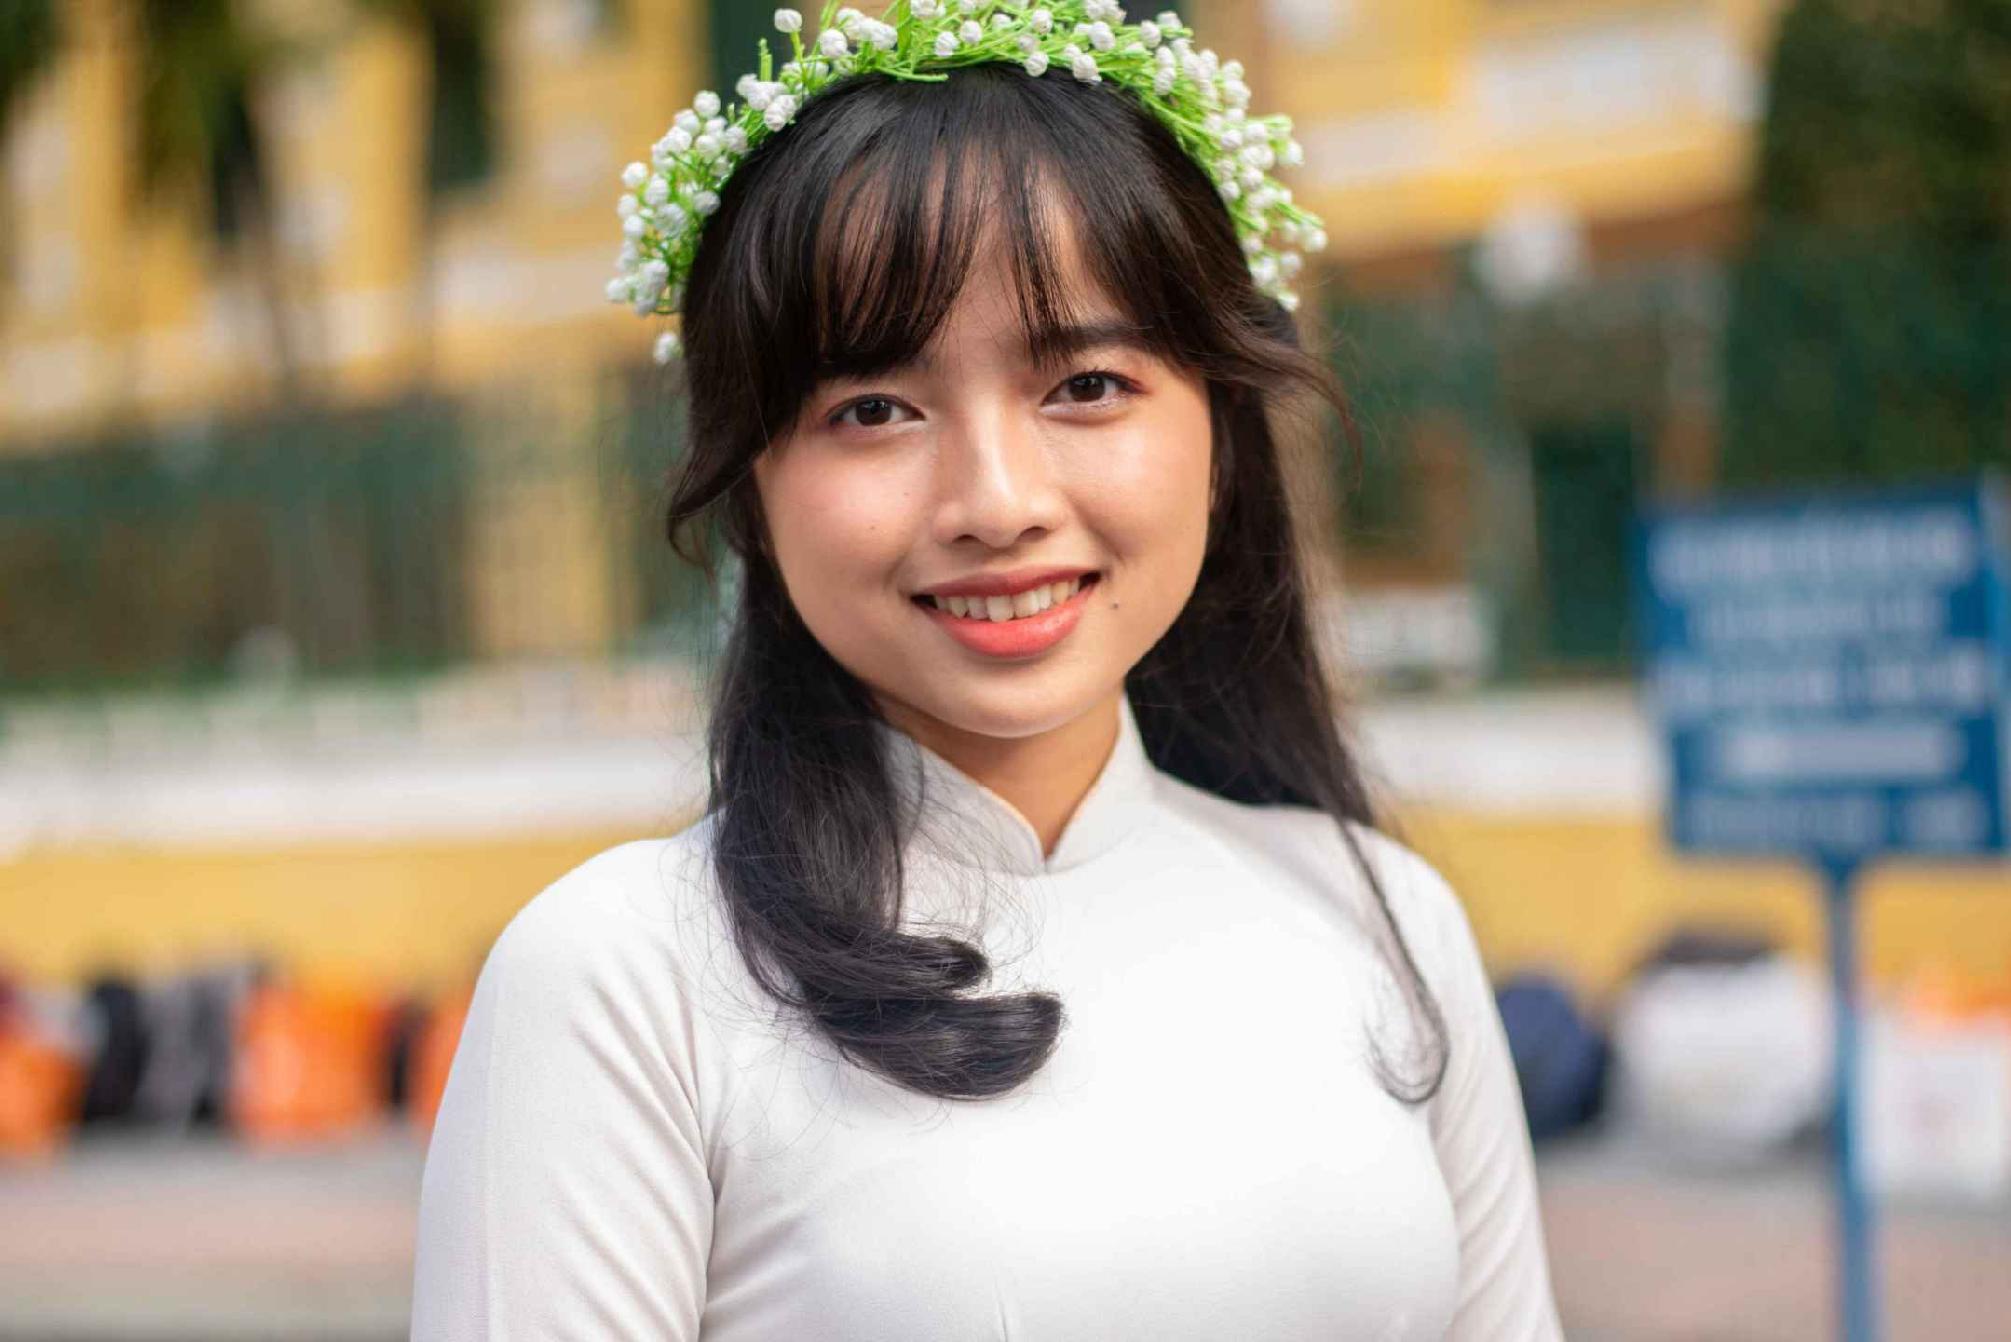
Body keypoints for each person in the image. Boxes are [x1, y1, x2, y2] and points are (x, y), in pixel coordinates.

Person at [410, 4, 1561, 1338]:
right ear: (754, 485)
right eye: (874, 410)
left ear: (1219, 427)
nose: (998, 501)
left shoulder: (1384, 919)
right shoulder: (625, 980)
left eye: (1085, 383)